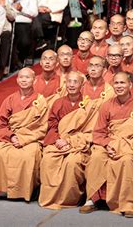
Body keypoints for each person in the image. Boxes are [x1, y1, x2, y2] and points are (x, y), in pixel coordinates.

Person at [80, 72, 133, 217]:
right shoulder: (106, 105)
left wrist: (118, 147)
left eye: (122, 83)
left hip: (129, 146)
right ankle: (92, 199)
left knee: (128, 161)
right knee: (96, 157)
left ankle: (128, 203)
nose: (119, 86)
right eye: (116, 83)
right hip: (108, 144)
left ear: (130, 85)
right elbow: (98, 133)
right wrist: (108, 145)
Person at [0, 68, 48, 201]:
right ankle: (4, 188)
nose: (24, 80)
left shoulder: (40, 101)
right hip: (11, 137)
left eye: (27, 77)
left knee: (29, 155)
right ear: (16, 80)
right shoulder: (9, 100)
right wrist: (12, 136)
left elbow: (43, 126)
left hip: (31, 138)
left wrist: (23, 139)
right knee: (1, 154)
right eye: (21, 77)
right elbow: (0, 124)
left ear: (34, 80)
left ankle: (26, 190)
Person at [38, 71, 90, 208]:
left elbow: (89, 130)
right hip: (58, 141)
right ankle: (50, 198)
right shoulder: (58, 102)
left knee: (72, 162)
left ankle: (70, 199)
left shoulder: (88, 105)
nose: (72, 85)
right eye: (69, 81)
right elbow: (52, 124)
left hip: (77, 143)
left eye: (75, 82)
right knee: (48, 160)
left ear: (82, 85)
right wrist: (58, 140)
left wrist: (70, 141)